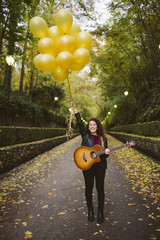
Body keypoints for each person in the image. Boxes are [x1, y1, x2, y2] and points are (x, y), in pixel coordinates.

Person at [71, 102, 110, 224]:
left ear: (97, 126)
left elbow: (105, 155)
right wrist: (75, 110)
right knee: (88, 189)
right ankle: (90, 211)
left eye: (94, 125)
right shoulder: (85, 136)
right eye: (90, 125)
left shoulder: (103, 139)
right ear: (88, 127)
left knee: (100, 189)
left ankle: (100, 213)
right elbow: (80, 123)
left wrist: (106, 152)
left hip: (100, 167)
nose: (92, 126)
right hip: (87, 166)